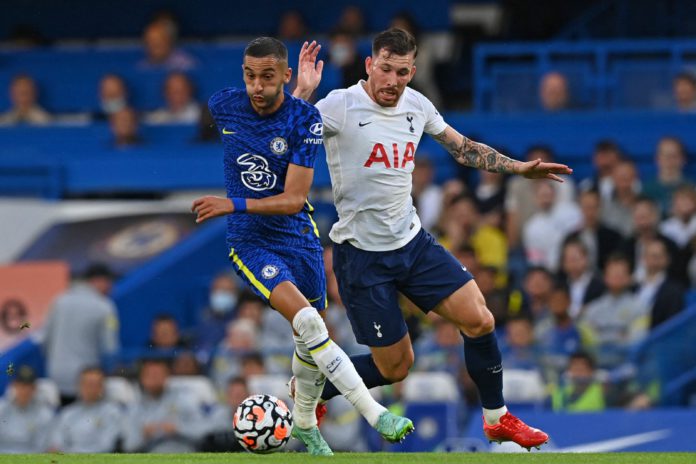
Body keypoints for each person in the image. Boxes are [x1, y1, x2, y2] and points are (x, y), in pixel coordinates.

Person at [292, 29, 569, 449]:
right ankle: (311, 388)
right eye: (385, 69)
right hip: (363, 258)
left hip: (413, 243)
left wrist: (518, 169)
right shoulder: (340, 105)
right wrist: (302, 93)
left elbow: (464, 149)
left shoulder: (417, 105)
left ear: (412, 71)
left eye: (402, 72)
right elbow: (287, 135)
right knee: (395, 367)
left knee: (480, 319)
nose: (392, 80)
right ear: (370, 65)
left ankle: (496, 419)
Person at [190, 37, 412, 455]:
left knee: (305, 341)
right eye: (250, 76)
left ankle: (306, 422)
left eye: (268, 77)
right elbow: (269, 122)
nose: (256, 86)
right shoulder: (223, 105)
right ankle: (376, 413)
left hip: (297, 234)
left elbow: (293, 199)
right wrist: (237, 211)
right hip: (250, 239)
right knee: (310, 324)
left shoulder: (307, 120)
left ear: (286, 75)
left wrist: (231, 201)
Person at [42, 263, 119, 406]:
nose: (111, 287)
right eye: (109, 282)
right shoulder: (105, 307)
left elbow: (44, 339)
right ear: (99, 281)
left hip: (56, 375)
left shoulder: (59, 301)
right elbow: (110, 347)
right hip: (88, 379)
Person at [122, 358, 208, 452]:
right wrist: (143, 434)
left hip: (183, 452)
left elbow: (202, 432)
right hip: (152, 455)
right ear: (142, 379)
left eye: (158, 374)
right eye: (150, 375)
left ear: (167, 376)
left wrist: (178, 428)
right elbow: (128, 445)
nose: (154, 378)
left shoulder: (184, 399)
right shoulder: (135, 407)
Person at [48, 367, 123, 453]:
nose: (92, 389)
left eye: (96, 384)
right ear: (78, 386)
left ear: (103, 387)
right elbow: (57, 444)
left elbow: (107, 446)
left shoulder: (112, 412)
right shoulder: (67, 413)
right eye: (88, 384)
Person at [0, 366, 54, 453]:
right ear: (14, 386)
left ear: (35, 389)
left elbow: (41, 448)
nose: (25, 391)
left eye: (29, 387)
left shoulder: (44, 415)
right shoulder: (2, 409)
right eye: (21, 386)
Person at [643, 136, 693, 215]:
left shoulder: (692, 187)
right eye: (665, 156)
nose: (669, 160)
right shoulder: (646, 190)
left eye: (674, 156)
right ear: (657, 159)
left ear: (683, 159)